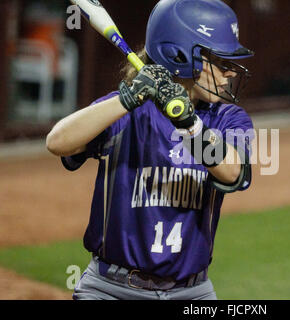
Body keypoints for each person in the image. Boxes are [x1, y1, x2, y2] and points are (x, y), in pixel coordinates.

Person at [46, 0, 254, 300]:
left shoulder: (228, 118)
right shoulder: (126, 111)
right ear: (180, 56)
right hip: (110, 290)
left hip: (192, 293)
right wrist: (125, 99)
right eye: (220, 61)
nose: (231, 72)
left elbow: (234, 174)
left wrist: (189, 124)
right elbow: (57, 142)